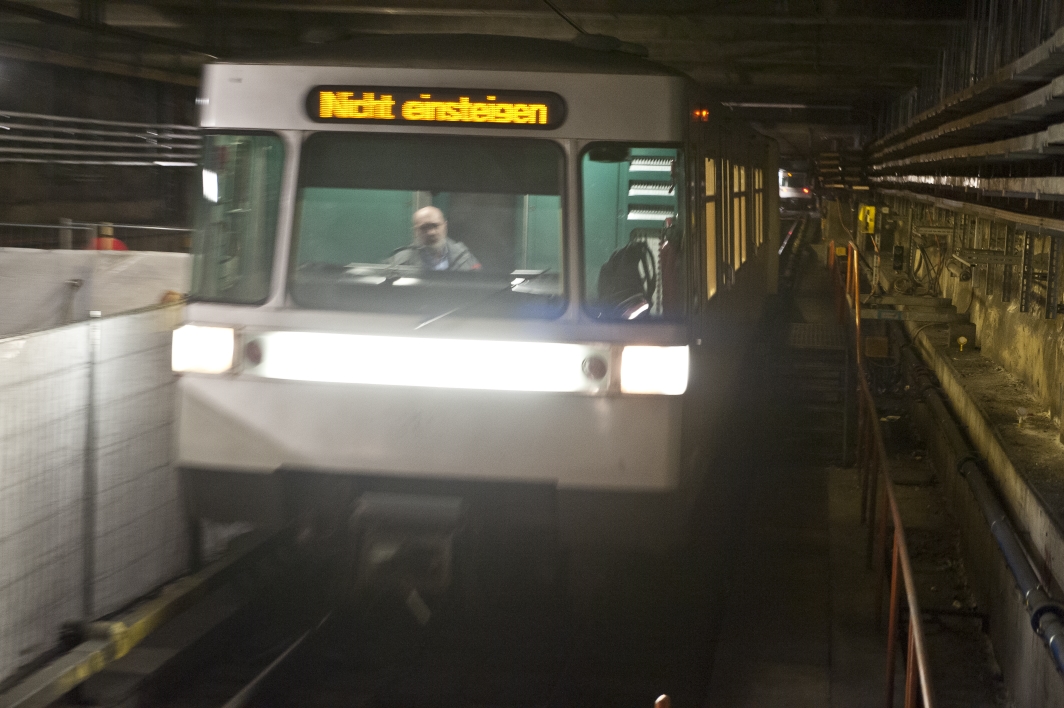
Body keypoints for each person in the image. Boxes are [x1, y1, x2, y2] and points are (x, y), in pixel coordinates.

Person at [386, 206, 480, 271]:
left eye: (435, 226)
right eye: (424, 227)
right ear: (416, 231)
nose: (431, 232)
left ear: (445, 226)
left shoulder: (464, 256)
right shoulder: (401, 261)